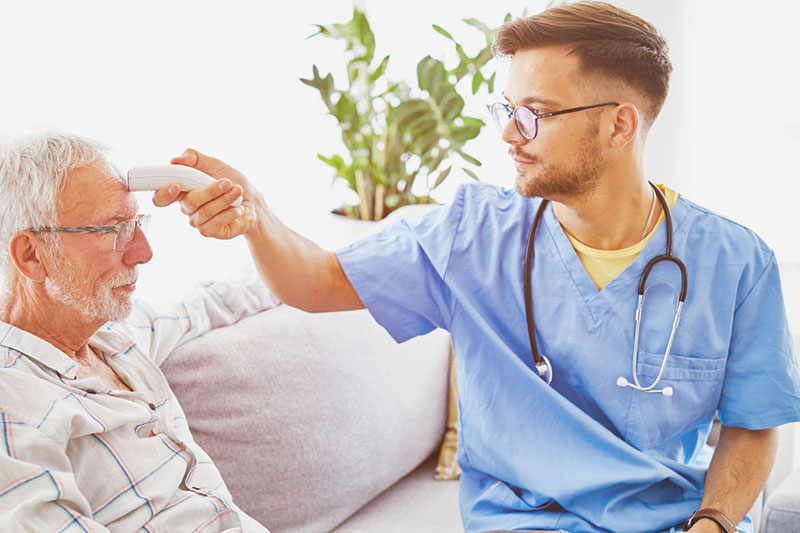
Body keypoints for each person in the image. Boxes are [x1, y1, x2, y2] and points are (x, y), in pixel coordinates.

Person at [154, 2, 800, 532]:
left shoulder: (736, 263)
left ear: (619, 126)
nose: (509, 134)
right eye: (506, 110)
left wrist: (713, 522)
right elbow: (318, 282)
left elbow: (750, 425)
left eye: (534, 115)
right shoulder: (471, 235)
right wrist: (255, 214)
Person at [0, 133, 277, 531]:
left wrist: (254, 216)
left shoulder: (114, 336)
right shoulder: (13, 407)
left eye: (136, 224)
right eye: (115, 230)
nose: (144, 252)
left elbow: (215, 301)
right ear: (32, 255)